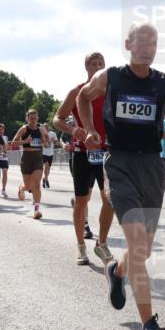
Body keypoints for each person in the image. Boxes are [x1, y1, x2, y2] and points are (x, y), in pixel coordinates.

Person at [76, 22, 165, 330]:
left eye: (153, 42)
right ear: (128, 44)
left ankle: (116, 270)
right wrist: (89, 129)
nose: (147, 46)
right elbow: (84, 98)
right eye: (141, 40)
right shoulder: (110, 77)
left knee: (143, 249)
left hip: (153, 167)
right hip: (120, 163)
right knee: (137, 243)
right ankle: (149, 325)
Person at [53, 51, 115, 265]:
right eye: (94, 64)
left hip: (107, 151)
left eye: (101, 63)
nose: (98, 67)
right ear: (86, 68)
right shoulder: (77, 91)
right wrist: (73, 130)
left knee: (110, 198)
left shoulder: (112, 91)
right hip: (82, 152)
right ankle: (81, 246)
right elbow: (57, 119)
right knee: (82, 200)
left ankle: (102, 243)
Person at [11, 109, 49, 219]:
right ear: (27, 119)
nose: (33, 120)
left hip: (37, 158)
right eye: (31, 118)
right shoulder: (24, 129)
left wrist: (45, 142)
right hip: (26, 158)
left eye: (35, 118)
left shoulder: (41, 129)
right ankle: (21, 188)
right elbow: (13, 142)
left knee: (37, 184)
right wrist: (25, 142)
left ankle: (36, 210)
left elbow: (46, 143)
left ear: (38, 118)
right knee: (29, 186)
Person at [0, 123, 10, 197]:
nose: (1, 131)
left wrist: (6, 150)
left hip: (4, 158)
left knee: (5, 173)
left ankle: (3, 190)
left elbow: (6, 147)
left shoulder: (5, 137)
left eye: (2, 130)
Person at [41, 123, 57, 189]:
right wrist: (44, 144)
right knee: (46, 165)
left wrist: (54, 140)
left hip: (51, 153)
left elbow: (57, 142)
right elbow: (40, 143)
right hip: (44, 153)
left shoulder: (53, 134)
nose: (46, 128)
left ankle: (45, 178)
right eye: (45, 127)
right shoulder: (41, 134)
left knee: (48, 168)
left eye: (47, 127)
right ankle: (47, 180)